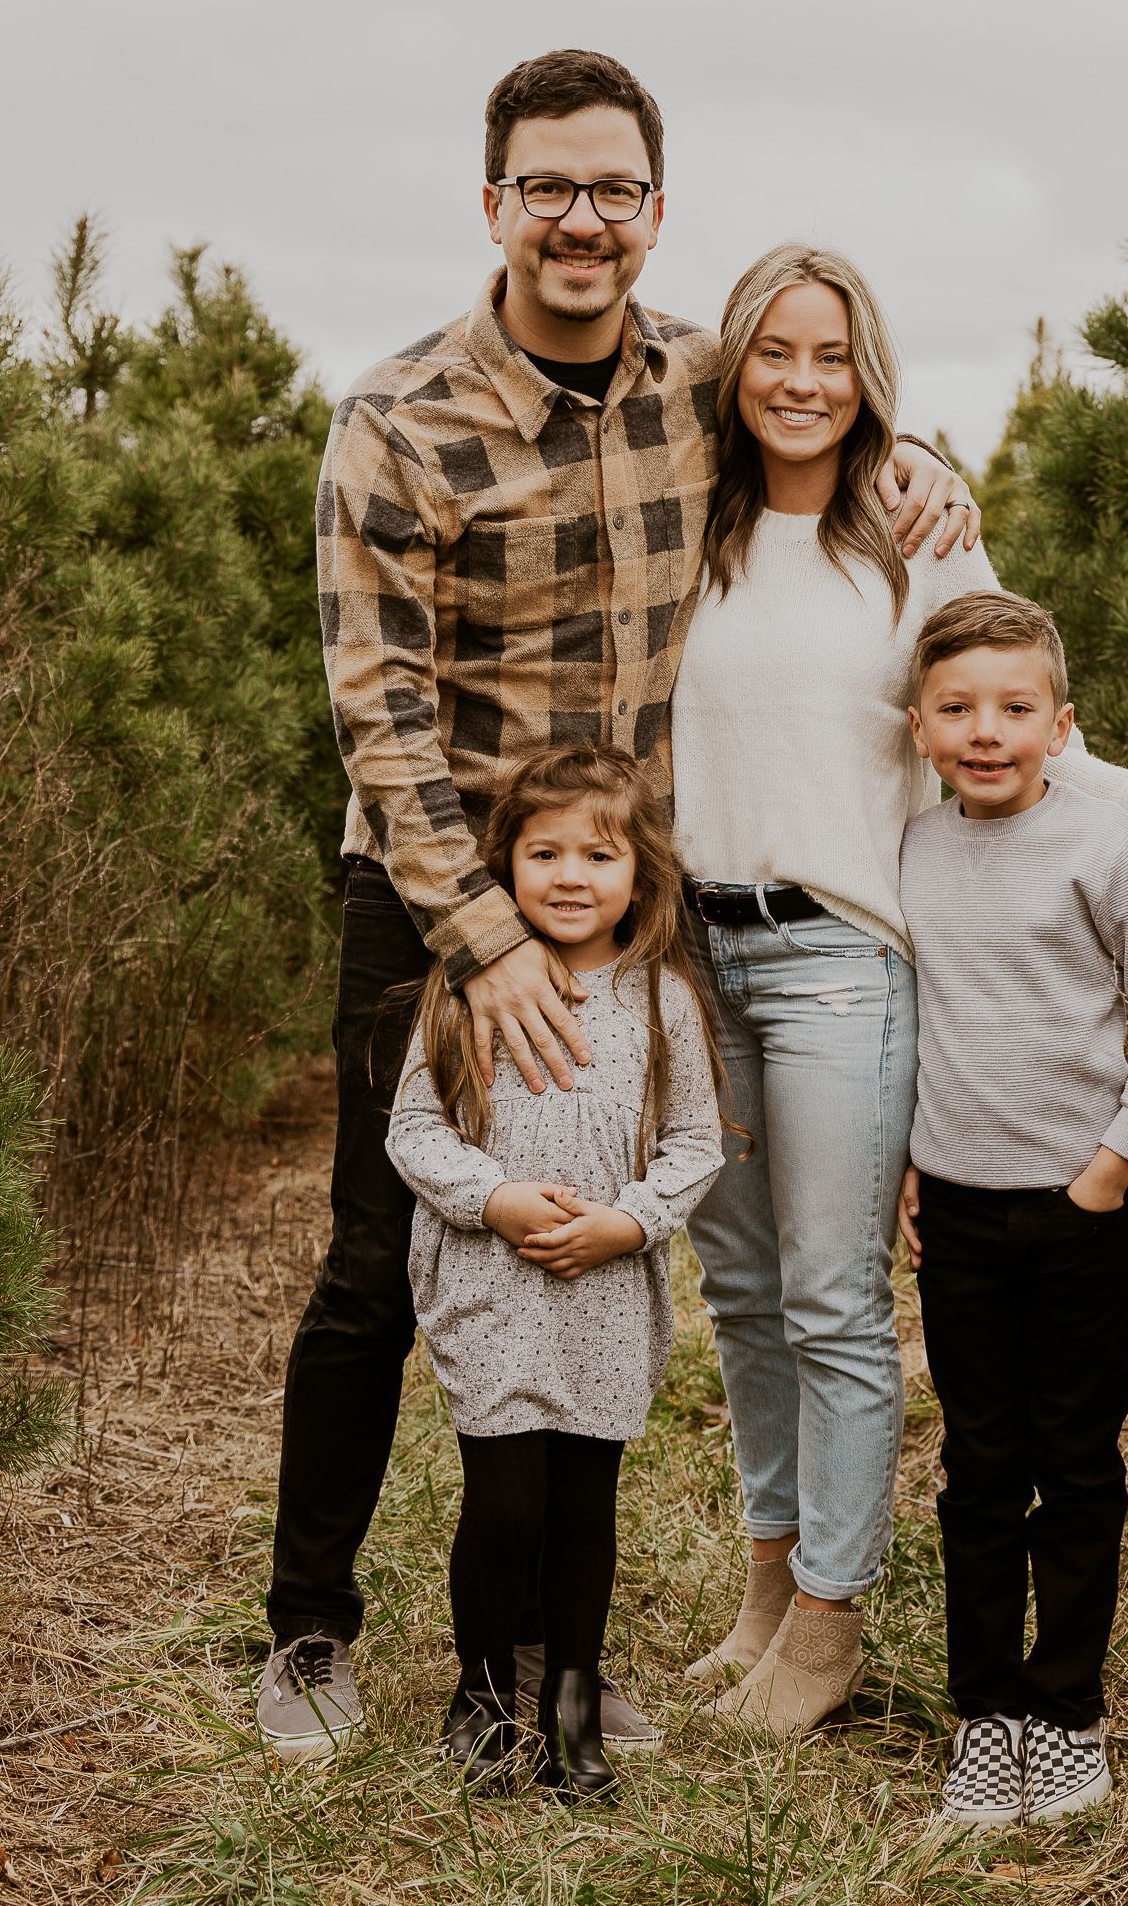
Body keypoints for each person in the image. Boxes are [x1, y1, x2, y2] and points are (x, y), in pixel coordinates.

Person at [256, 49, 970, 1760]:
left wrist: (924, 454)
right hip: (435, 895)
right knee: (383, 1254)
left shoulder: (694, 378)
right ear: (491, 201)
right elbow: (380, 705)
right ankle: (306, 1632)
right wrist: (480, 934)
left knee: (595, 1272)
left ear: (655, 211)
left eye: (614, 190)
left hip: (634, 906)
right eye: (547, 187)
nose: (582, 219)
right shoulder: (399, 417)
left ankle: (535, 1644)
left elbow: (829, 389)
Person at [671, 247, 1128, 1736]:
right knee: (740, 1294)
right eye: (771, 351)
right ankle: (768, 1584)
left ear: (867, 374)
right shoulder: (683, 532)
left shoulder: (910, 531)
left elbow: (999, 705)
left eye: (830, 355)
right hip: (693, 948)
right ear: (731, 366)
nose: (798, 381)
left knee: (833, 1297)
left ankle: (833, 1622)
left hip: (838, 954)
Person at [895, 590, 1128, 1827]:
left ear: (1060, 725)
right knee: (980, 1468)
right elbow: (926, 1021)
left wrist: (1108, 1173)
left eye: (1015, 709)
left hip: (1080, 1214)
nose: (987, 731)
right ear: (919, 728)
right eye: (959, 709)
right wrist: (917, 1161)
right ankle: (988, 1714)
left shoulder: (1113, 844)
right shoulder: (913, 849)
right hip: (958, 1217)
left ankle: (1067, 1712)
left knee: (1074, 1464)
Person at [386, 744, 724, 1798]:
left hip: (608, 1292)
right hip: (495, 1285)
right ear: (505, 865)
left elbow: (696, 1143)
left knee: (583, 1504)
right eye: (544, 852)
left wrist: (630, 1220)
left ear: (642, 871)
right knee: (506, 1500)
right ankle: (482, 1698)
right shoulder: (465, 986)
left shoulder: (664, 996)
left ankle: (571, 1705)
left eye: (598, 852)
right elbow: (413, 1128)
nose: (570, 874)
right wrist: (495, 1197)